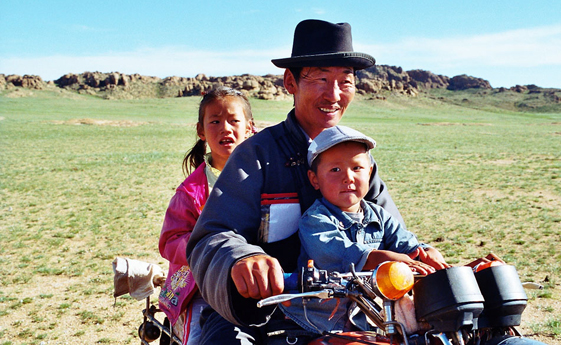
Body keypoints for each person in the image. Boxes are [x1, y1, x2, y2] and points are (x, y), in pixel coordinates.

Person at [186, 19, 407, 344]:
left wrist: (420, 254)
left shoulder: (359, 160)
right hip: (263, 315)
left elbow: (390, 231)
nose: (334, 94)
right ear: (290, 82)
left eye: (345, 82)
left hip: (353, 310)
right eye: (320, 79)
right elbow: (212, 236)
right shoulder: (256, 155)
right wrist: (242, 259)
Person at [281, 125, 449, 334]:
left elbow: (408, 246)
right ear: (314, 179)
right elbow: (343, 254)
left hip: (373, 317)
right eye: (335, 170)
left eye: (357, 168)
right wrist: (383, 257)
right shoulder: (314, 220)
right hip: (320, 321)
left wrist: (425, 252)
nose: (348, 177)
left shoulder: (379, 215)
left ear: (369, 173)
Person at [158, 87, 254, 344]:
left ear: (249, 127)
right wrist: (209, 252)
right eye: (215, 121)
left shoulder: (264, 178)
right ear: (201, 131)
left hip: (253, 280)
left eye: (234, 120)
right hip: (201, 285)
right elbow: (170, 241)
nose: (226, 128)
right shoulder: (191, 191)